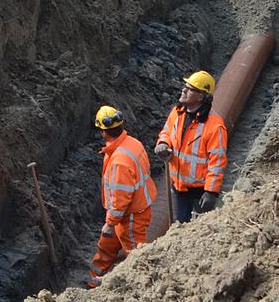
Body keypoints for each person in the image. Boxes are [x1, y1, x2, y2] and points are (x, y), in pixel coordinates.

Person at [86, 105, 154, 288]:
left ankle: (138, 288)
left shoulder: (119, 161)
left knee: (136, 255)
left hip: (131, 216)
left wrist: (110, 223)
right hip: (128, 213)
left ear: (103, 131)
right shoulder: (132, 143)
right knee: (106, 245)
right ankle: (94, 281)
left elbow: (121, 198)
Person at [155, 69, 228, 226]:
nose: (184, 90)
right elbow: (166, 132)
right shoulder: (177, 112)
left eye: (190, 89)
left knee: (199, 232)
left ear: (201, 96)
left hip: (199, 193)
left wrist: (211, 192)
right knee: (179, 228)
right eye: (185, 86)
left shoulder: (215, 126)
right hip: (178, 188)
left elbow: (217, 161)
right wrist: (163, 143)